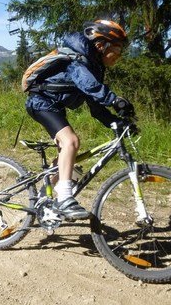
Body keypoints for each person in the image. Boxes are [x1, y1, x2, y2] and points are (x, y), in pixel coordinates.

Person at [24, 19, 134, 220]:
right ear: (101, 45)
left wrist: (116, 122)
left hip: (54, 106)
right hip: (41, 103)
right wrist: (115, 100)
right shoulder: (77, 61)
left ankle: (44, 199)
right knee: (71, 142)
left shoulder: (93, 66)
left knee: (68, 161)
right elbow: (90, 86)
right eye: (117, 51)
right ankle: (64, 198)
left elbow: (95, 106)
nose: (118, 57)